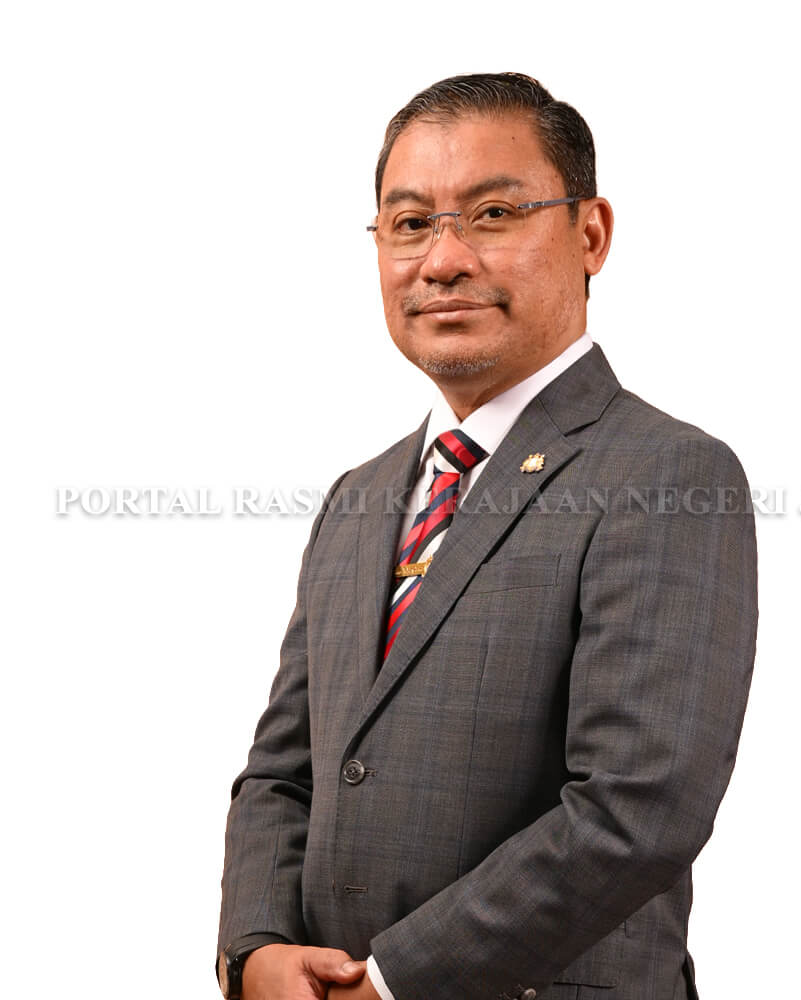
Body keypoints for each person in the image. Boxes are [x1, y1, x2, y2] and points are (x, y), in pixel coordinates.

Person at [217, 72, 758, 1000]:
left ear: (591, 235)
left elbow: (638, 809)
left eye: (494, 214)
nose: (442, 260)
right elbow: (284, 770)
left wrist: (393, 982)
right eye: (409, 223)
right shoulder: (359, 497)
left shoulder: (668, 474)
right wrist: (255, 949)